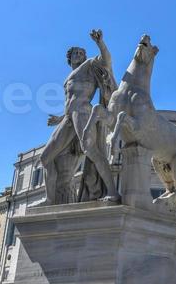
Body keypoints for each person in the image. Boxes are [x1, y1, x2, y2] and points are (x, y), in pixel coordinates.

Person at [40, 29, 120, 205]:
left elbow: (107, 60)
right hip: (69, 118)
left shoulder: (90, 66)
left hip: (83, 112)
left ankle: (113, 192)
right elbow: (70, 102)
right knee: (45, 158)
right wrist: (60, 119)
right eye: (76, 53)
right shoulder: (68, 77)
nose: (79, 55)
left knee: (91, 150)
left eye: (82, 53)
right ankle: (49, 199)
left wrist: (100, 43)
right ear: (69, 58)